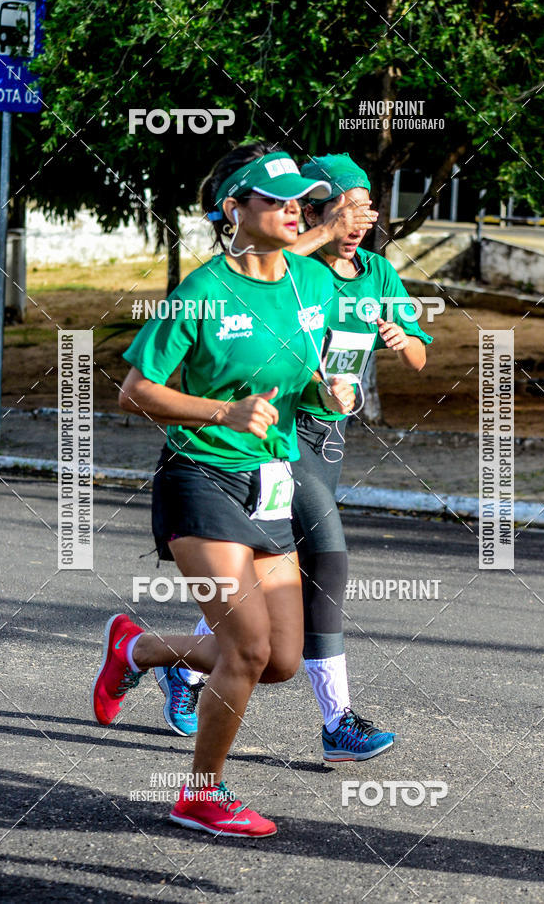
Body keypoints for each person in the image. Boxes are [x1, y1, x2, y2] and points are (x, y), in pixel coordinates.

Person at [91, 142, 355, 838]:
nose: (295, 209)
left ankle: (140, 650)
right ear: (233, 209)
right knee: (243, 648)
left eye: (300, 199)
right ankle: (201, 794)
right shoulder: (203, 293)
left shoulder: (315, 283)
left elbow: (314, 378)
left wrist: (330, 390)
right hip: (200, 475)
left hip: (270, 481)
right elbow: (133, 392)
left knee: (281, 661)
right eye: (276, 200)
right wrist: (222, 412)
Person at [165, 153, 433, 762]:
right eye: (350, 205)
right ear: (318, 209)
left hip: (330, 437)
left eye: (369, 206)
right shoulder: (289, 268)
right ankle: (337, 721)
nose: (362, 218)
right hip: (282, 435)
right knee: (329, 557)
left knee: (263, 576)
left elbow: (420, 355)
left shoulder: (377, 274)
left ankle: (173, 663)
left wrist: (402, 337)